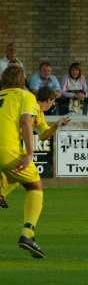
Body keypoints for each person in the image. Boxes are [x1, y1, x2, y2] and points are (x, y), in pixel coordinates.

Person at [0, 66, 44, 258]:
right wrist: (29, 153)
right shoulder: (25, 95)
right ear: (22, 79)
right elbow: (26, 121)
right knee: (35, 186)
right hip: (8, 151)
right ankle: (28, 234)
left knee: (12, 177)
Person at [0, 86, 71, 206]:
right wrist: (29, 153)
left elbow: (43, 135)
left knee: (19, 170)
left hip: (9, 144)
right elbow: (25, 123)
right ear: (48, 100)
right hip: (6, 143)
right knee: (22, 170)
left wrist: (56, 125)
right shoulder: (30, 104)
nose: (52, 105)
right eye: (53, 101)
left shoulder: (39, 113)